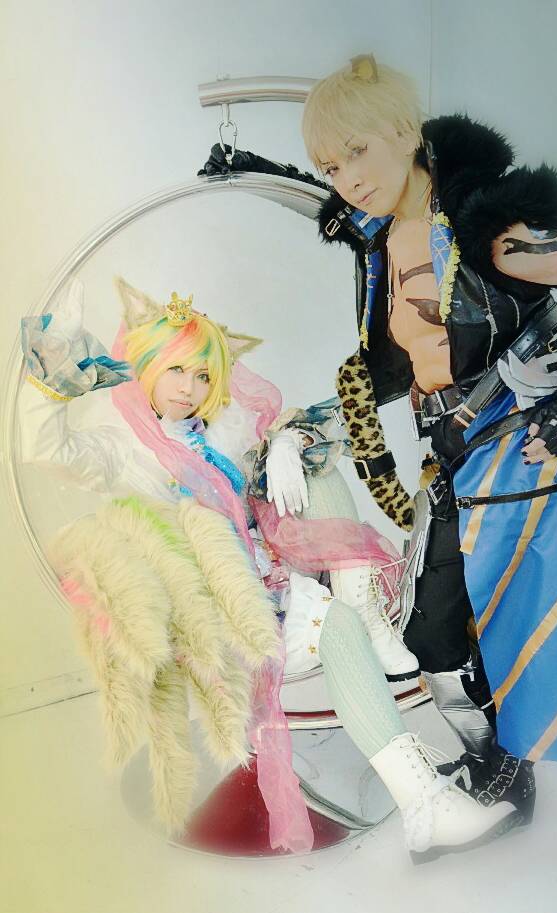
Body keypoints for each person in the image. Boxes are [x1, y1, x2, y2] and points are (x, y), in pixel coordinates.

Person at [21, 275, 515, 857]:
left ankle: (370, 638)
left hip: (267, 573)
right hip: (214, 608)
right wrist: (53, 366)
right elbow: (46, 450)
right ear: (147, 364)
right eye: (176, 369)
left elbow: (298, 439)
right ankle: (423, 803)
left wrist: (284, 445)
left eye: (202, 375)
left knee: (310, 463)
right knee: (336, 625)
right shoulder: (122, 449)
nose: (188, 388)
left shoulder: (218, 429)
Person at [297, 54, 557, 831]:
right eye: (329, 166)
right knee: (434, 627)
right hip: (455, 457)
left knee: (497, 616)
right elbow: (404, 360)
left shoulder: (480, 224)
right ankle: (494, 762)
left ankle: (508, 767)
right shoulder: (382, 241)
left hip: (516, 456)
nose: (346, 178)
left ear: (402, 131)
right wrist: (315, 417)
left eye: (356, 151)